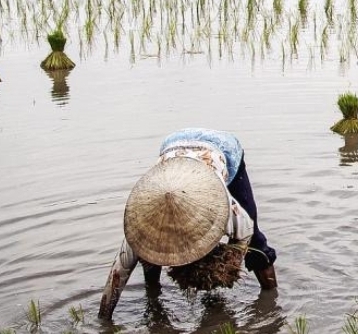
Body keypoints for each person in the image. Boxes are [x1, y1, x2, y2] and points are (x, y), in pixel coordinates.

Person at [99, 128, 277, 318]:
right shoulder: (140, 228)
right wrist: (105, 317)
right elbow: (117, 276)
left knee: (257, 244)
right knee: (149, 256)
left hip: (223, 148)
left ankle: (271, 303)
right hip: (172, 146)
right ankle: (153, 298)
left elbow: (244, 237)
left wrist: (222, 268)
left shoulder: (228, 210)